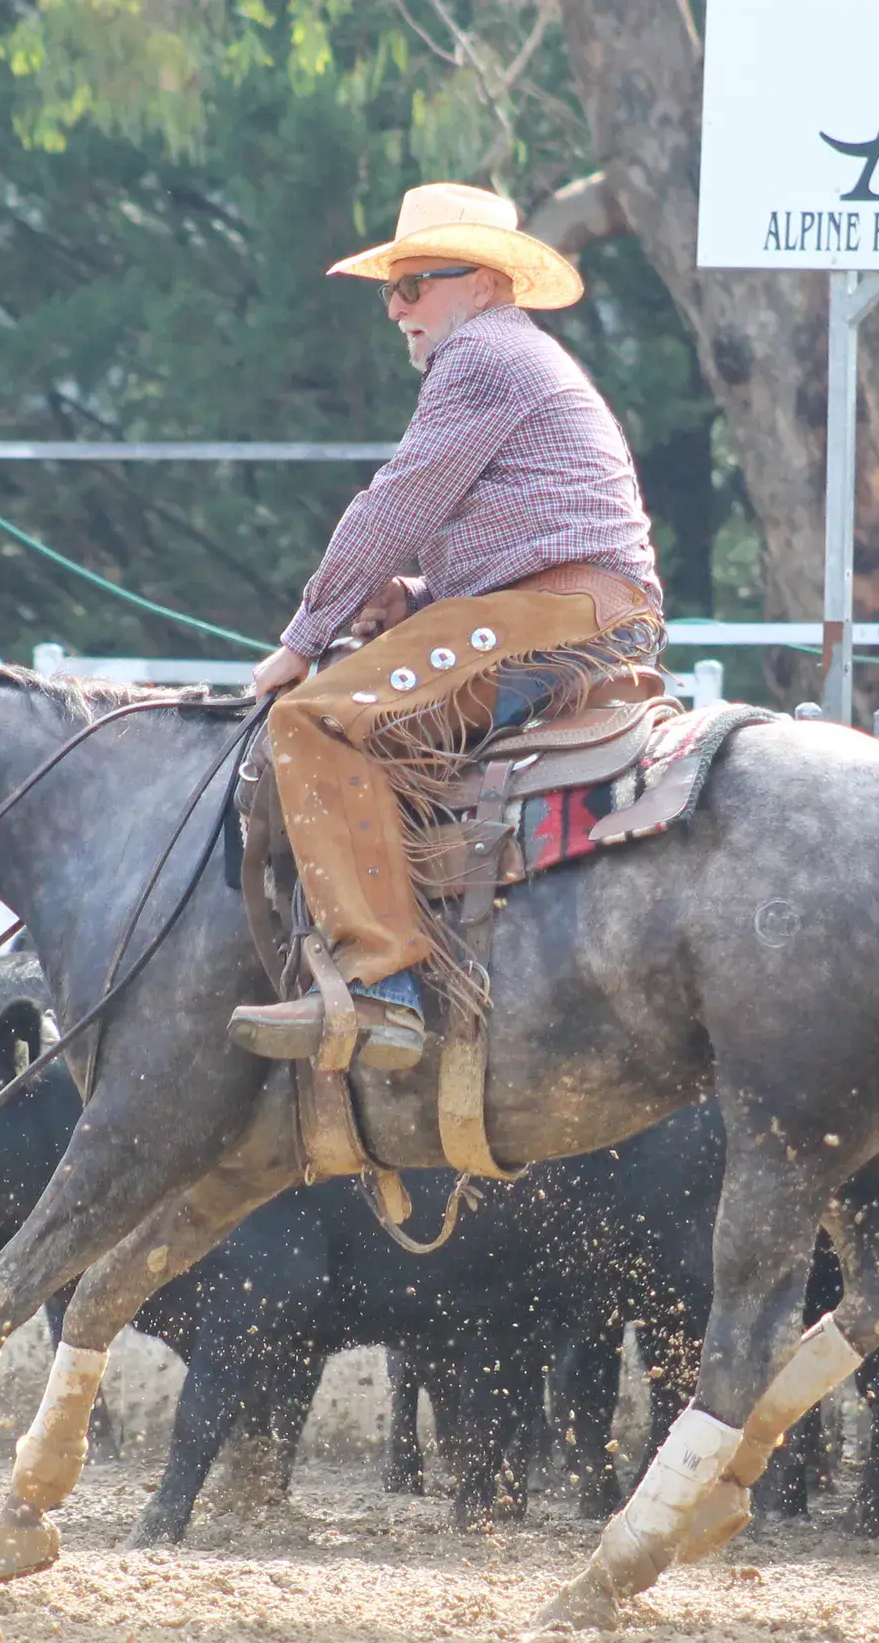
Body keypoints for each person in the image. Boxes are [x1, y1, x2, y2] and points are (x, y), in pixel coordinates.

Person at [227, 182, 665, 1072]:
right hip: (575, 609)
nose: (395, 309)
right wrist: (421, 600)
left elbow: (395, 503)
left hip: (557, 618)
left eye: (414, 283)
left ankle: (379, 987)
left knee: (308, 719)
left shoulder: (482, 357)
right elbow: (525, 529)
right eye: (390, 289)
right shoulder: (517, 357)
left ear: (486, 283)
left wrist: (302, 641)